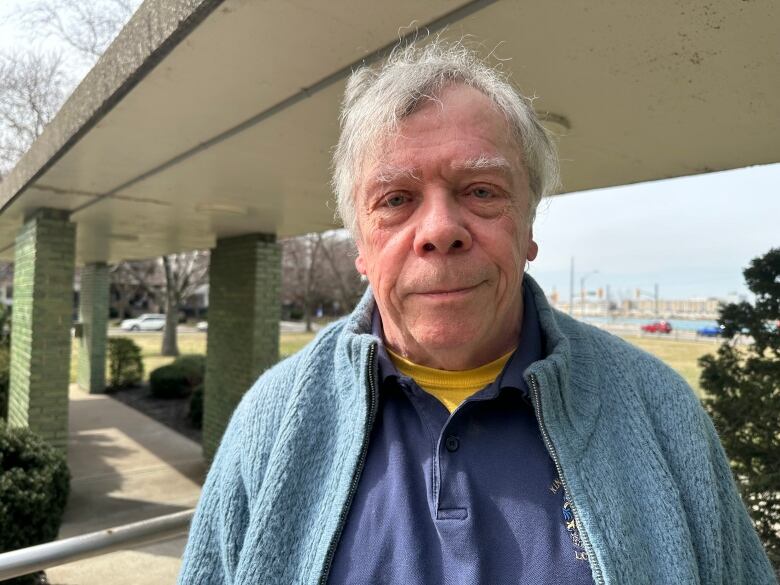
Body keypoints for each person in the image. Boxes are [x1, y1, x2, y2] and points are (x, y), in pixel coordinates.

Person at [178, 41, 776, 584]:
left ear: (529, 228)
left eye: (482, 191)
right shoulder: (273, 420)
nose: (439, 230)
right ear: (361, 247)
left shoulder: (657, 409)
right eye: (396, 200)